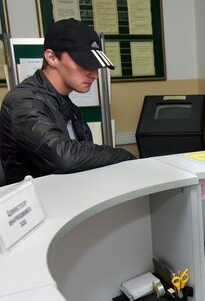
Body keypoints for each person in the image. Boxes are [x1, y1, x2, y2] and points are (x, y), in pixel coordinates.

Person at [0, 18, 135, 185]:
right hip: (36, 205)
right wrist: (122, 155)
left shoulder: (65, 103)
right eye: (84, 63)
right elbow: (63, 156)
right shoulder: (24, 102)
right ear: (51, 57)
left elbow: (83, 159)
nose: (94, 75)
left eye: (95, 66)